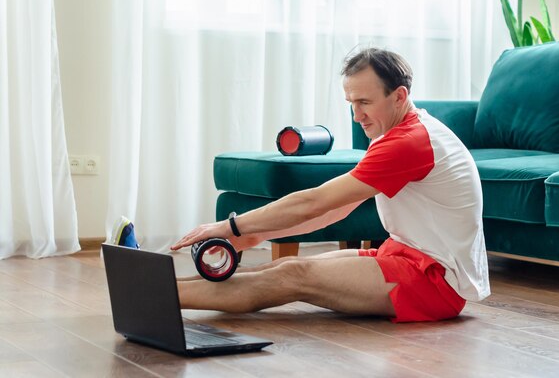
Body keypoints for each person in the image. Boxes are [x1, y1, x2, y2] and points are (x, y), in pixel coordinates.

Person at [167, 48, 490, 322]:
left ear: (399, 96)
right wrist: (258, 234)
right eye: (351, 102)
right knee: (285, 265)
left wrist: (231, 226)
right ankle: (161, 288)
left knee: (291, 277)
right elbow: (336, 209)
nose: (356, 115)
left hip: (434, 282)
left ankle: (154, 296)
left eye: (364, 101)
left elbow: (314, 202)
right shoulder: (399, 132)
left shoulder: (410, 142)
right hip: (404, 257)